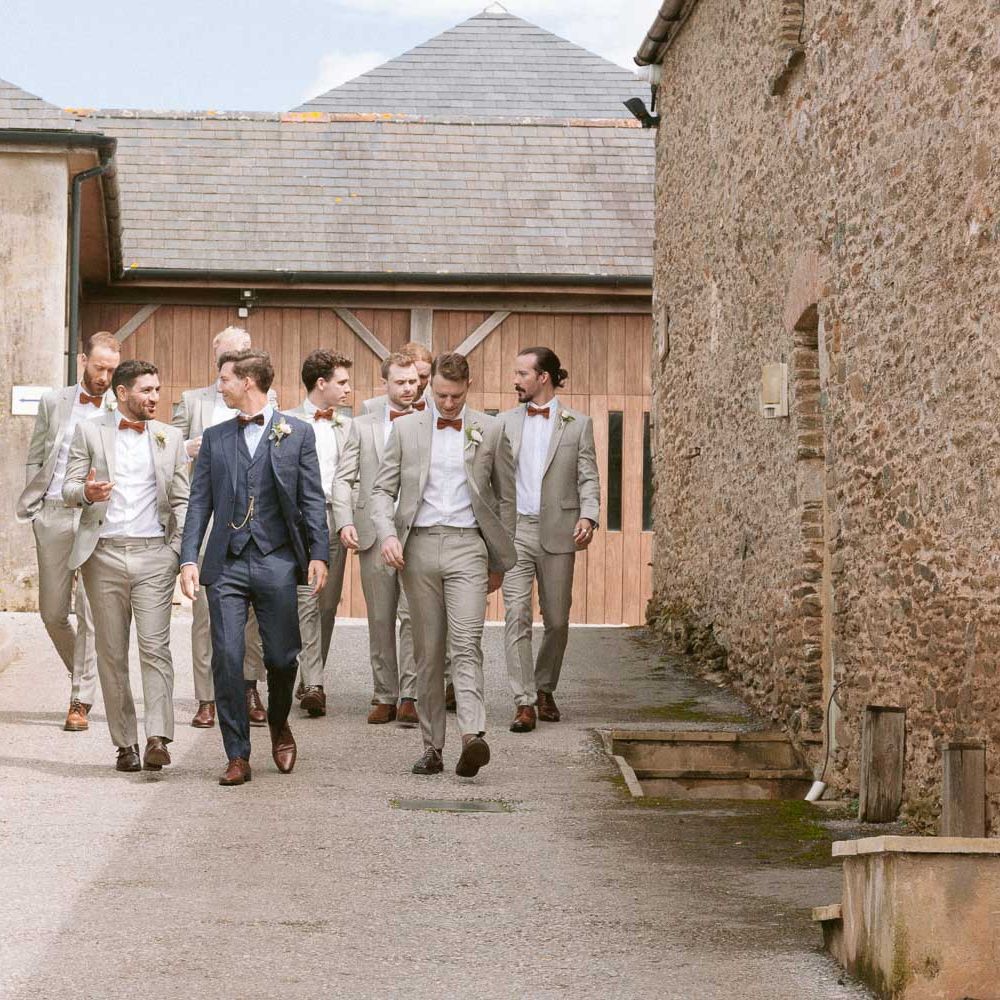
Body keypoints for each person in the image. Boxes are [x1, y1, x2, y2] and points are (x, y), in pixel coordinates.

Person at [179, 350, 329, 786]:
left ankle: (280, 724)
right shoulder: (215, 437)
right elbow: (199, 501)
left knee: (282, 657)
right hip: (225, 562)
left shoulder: (296, 433)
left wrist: (318, 552)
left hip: (276, 558)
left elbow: (311, 498)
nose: (219, 385)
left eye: (224, 379)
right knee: (226, 658)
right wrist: (190, 557)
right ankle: (237, 754)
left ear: (247, 382)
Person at [370, 352, 516, 777]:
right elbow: (382, 491)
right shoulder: (405, 428)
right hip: (417, 548)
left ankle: (473, 736)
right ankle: (432, 747)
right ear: (428, 385)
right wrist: (388, 535)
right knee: (428, 652)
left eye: (455, 396)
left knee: (467, 642)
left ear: (468, 387)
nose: (448, 404)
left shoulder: (490, 430)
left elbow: (505, 498)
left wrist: (500, 559)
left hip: (469, 546)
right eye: (440, 395)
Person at [62, 360, 189, 772]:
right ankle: (125, 744)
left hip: (155, 555)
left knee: (155, 648)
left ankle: (157, 737)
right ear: (122, 393)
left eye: (157, 390)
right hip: (104, 554)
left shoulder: (170, 437)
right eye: (147, 390)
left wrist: (177, 552)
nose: (155, 397)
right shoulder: (89, 431)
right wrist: (86, 491)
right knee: (112, 653)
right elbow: (67, 488)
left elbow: (184, 500)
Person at [15, 330, 119, 732]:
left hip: (93, 516)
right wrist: (38, 506)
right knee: (53, 612)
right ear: (82, 361)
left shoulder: (117, 410)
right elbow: (36, 454)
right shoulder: (52, 401)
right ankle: (90, 676)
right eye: (98, 368)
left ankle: (81, 697)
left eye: (111, 370)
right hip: (54, 514)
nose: (104, 377)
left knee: (89, 613)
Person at [172, 326, 268, 729]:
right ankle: (206, 697)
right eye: (225, 358)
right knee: (206, 613)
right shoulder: (193, 401)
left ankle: (248, 686)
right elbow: (162, 445)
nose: (230, 364)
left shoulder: (268, 401)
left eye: (241, 354)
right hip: (210, 514)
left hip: (254, 519)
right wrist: (186, 447)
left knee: (253, 612)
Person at [499, 348, 600, 729]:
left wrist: (589, 515)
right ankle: (523, 700)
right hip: (515, 532)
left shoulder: (578, 423)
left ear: (544, 377)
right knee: (516, 615)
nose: (516, 380)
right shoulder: (504, 423)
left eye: (522, 373)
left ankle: (544, 687)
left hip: (559, 531)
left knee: (556, 620)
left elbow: (588, 476)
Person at [335, 352, 419, 726]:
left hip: (417, 531)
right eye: (400, 382)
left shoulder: (430, 423)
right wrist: (344, 520)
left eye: (414, 381)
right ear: (384, 384)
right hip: (371, 530)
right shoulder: (362, 425)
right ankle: (384, 694)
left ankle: (411, 696)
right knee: (381, 617)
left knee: (414, 617)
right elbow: (343, 477)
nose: (408, 388)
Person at [287, 350, 352, 718]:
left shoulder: (349, 426)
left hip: (334, 518)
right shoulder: (286, 422)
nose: (348, 389)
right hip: (296, 522)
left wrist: (349, 521)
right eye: (342, 382)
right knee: (304, 602)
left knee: (326, 604)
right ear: (321, 383)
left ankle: (310, 675)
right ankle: (314, 683)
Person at [363, 342, 431, 415]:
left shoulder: (437, 407)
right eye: (401, 381)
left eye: (423, 377)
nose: (418, 383)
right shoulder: (370, 407)